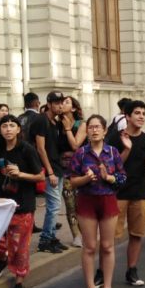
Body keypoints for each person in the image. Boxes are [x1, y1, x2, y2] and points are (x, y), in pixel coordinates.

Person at [99, 100, 145, 288]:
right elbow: (113, 166)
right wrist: (127, 148)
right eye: (137, 113)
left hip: (140, 192)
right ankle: (101, 272)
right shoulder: (116, 138)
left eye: (143, 113)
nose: (141, 116)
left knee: (136, 234)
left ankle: (131, 271)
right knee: (109, 238)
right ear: (127, 116)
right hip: (117, 193)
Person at [0, 115, 44, 288]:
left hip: (23, 205)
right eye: (4, 126)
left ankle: (19, 283)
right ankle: (2, 259)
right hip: (2, 204)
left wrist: (21, 174)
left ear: (19, 129)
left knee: (20, 246)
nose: (8, 129)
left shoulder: (27, 149)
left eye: (12, 125)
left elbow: (40, 177)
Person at [70, 115, 126, 288]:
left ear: (104, 130)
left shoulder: (113, 153)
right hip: (86, 201)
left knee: (108, 246)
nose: (94, 130)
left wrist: (108, 177)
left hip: (108, 200)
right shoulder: (81, 153)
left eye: (97, 127)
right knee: (90, 246)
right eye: (90, 127)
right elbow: (72, 181)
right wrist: (86, 179)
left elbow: (122, 178)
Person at [29, 91, 68, 253]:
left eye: (62, 103)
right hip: (48, 169)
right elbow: (40, 148)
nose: (60, 106)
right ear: (49, 104)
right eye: (57, 103)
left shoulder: (56, 122)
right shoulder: (41, 120)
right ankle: (45, 240)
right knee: (53, 206)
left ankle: (51, 237)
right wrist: (50, 172)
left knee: (56, 205)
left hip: (57, 167)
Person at [60, 96, 87, 247]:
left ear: (74, 108)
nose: (63, 104)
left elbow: (76, 145)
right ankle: (76, 235)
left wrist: (68, 129)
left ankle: (85, 232)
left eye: (67, 102)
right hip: (64, 170)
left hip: (80, 169)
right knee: (70, 203)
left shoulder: (81, 124)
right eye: (62, 102)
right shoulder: (58, 124)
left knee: (81, 203)